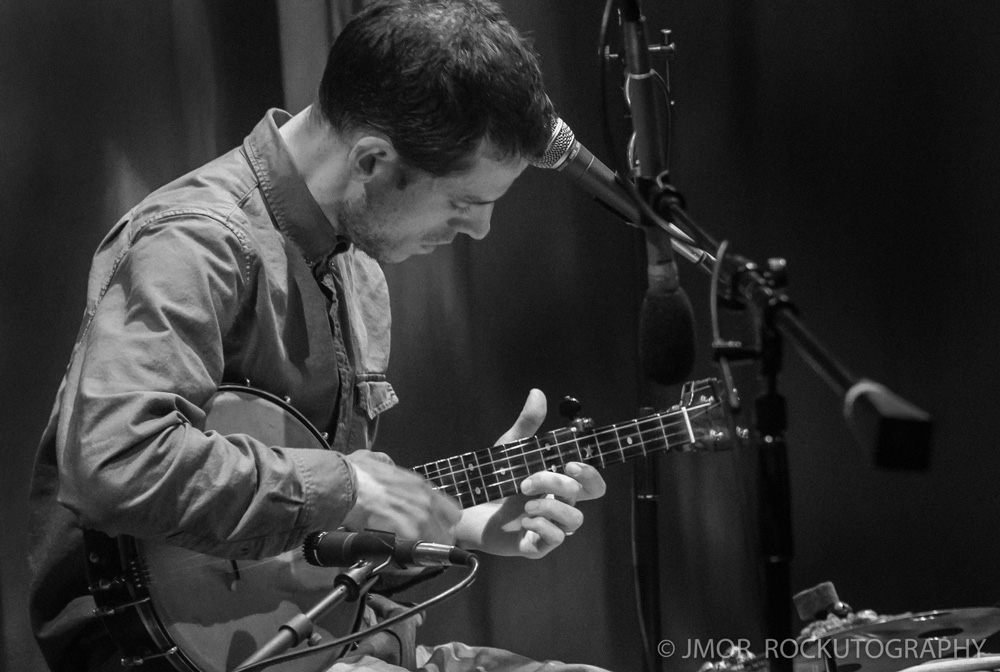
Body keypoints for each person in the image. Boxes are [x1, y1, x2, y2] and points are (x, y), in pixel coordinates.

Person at [27, 1, 610, 671]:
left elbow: (300, 554)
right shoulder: (195, 243)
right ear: (371, 160)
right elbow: (116, 463)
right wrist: (349, 487)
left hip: (340, 643)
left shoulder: (358, 270)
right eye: (463, 202)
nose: (478, 232)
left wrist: (463, 526)